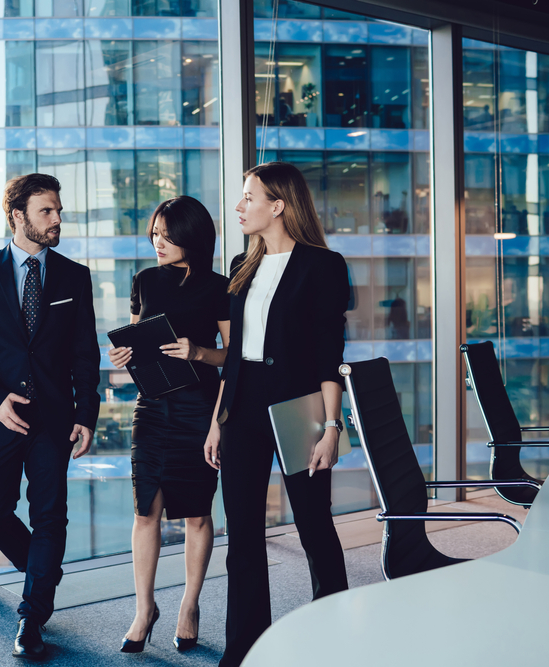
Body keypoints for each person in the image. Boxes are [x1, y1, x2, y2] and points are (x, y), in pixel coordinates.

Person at [0, 173, 101, 661]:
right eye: (46, 211)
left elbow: (84, 353)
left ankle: (31, 618)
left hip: (54, 419)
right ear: (18, 216)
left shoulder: (74, 276)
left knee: (50, 514)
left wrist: (87, 412)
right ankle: (44, 570)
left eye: (58, 210)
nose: (58, 219)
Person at [204, 162, 351, 666]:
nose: (240, 206)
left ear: (279, 205)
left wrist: (332, 428)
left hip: (298, 405)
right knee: (241, 533)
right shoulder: (241, 268)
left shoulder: (323, 265)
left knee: (314, 525)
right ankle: (244, 646)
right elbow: (235, 354)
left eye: (249, 197)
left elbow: (330, 354)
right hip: (241, 405)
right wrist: (216, 422)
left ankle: (332, 635)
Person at [108, 196, 230, 654]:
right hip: (152, 407)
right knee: (145, 511)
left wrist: (197, 353)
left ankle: (189, 605)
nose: (157, 243)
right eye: (154, 234)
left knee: (197, 513)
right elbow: (139, 337)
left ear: (191, 236)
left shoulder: (220, 287)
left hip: (201, 409)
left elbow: (234, 359)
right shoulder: (143, 280)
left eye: (166, 235)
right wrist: (124, 357)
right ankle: (144, 609)